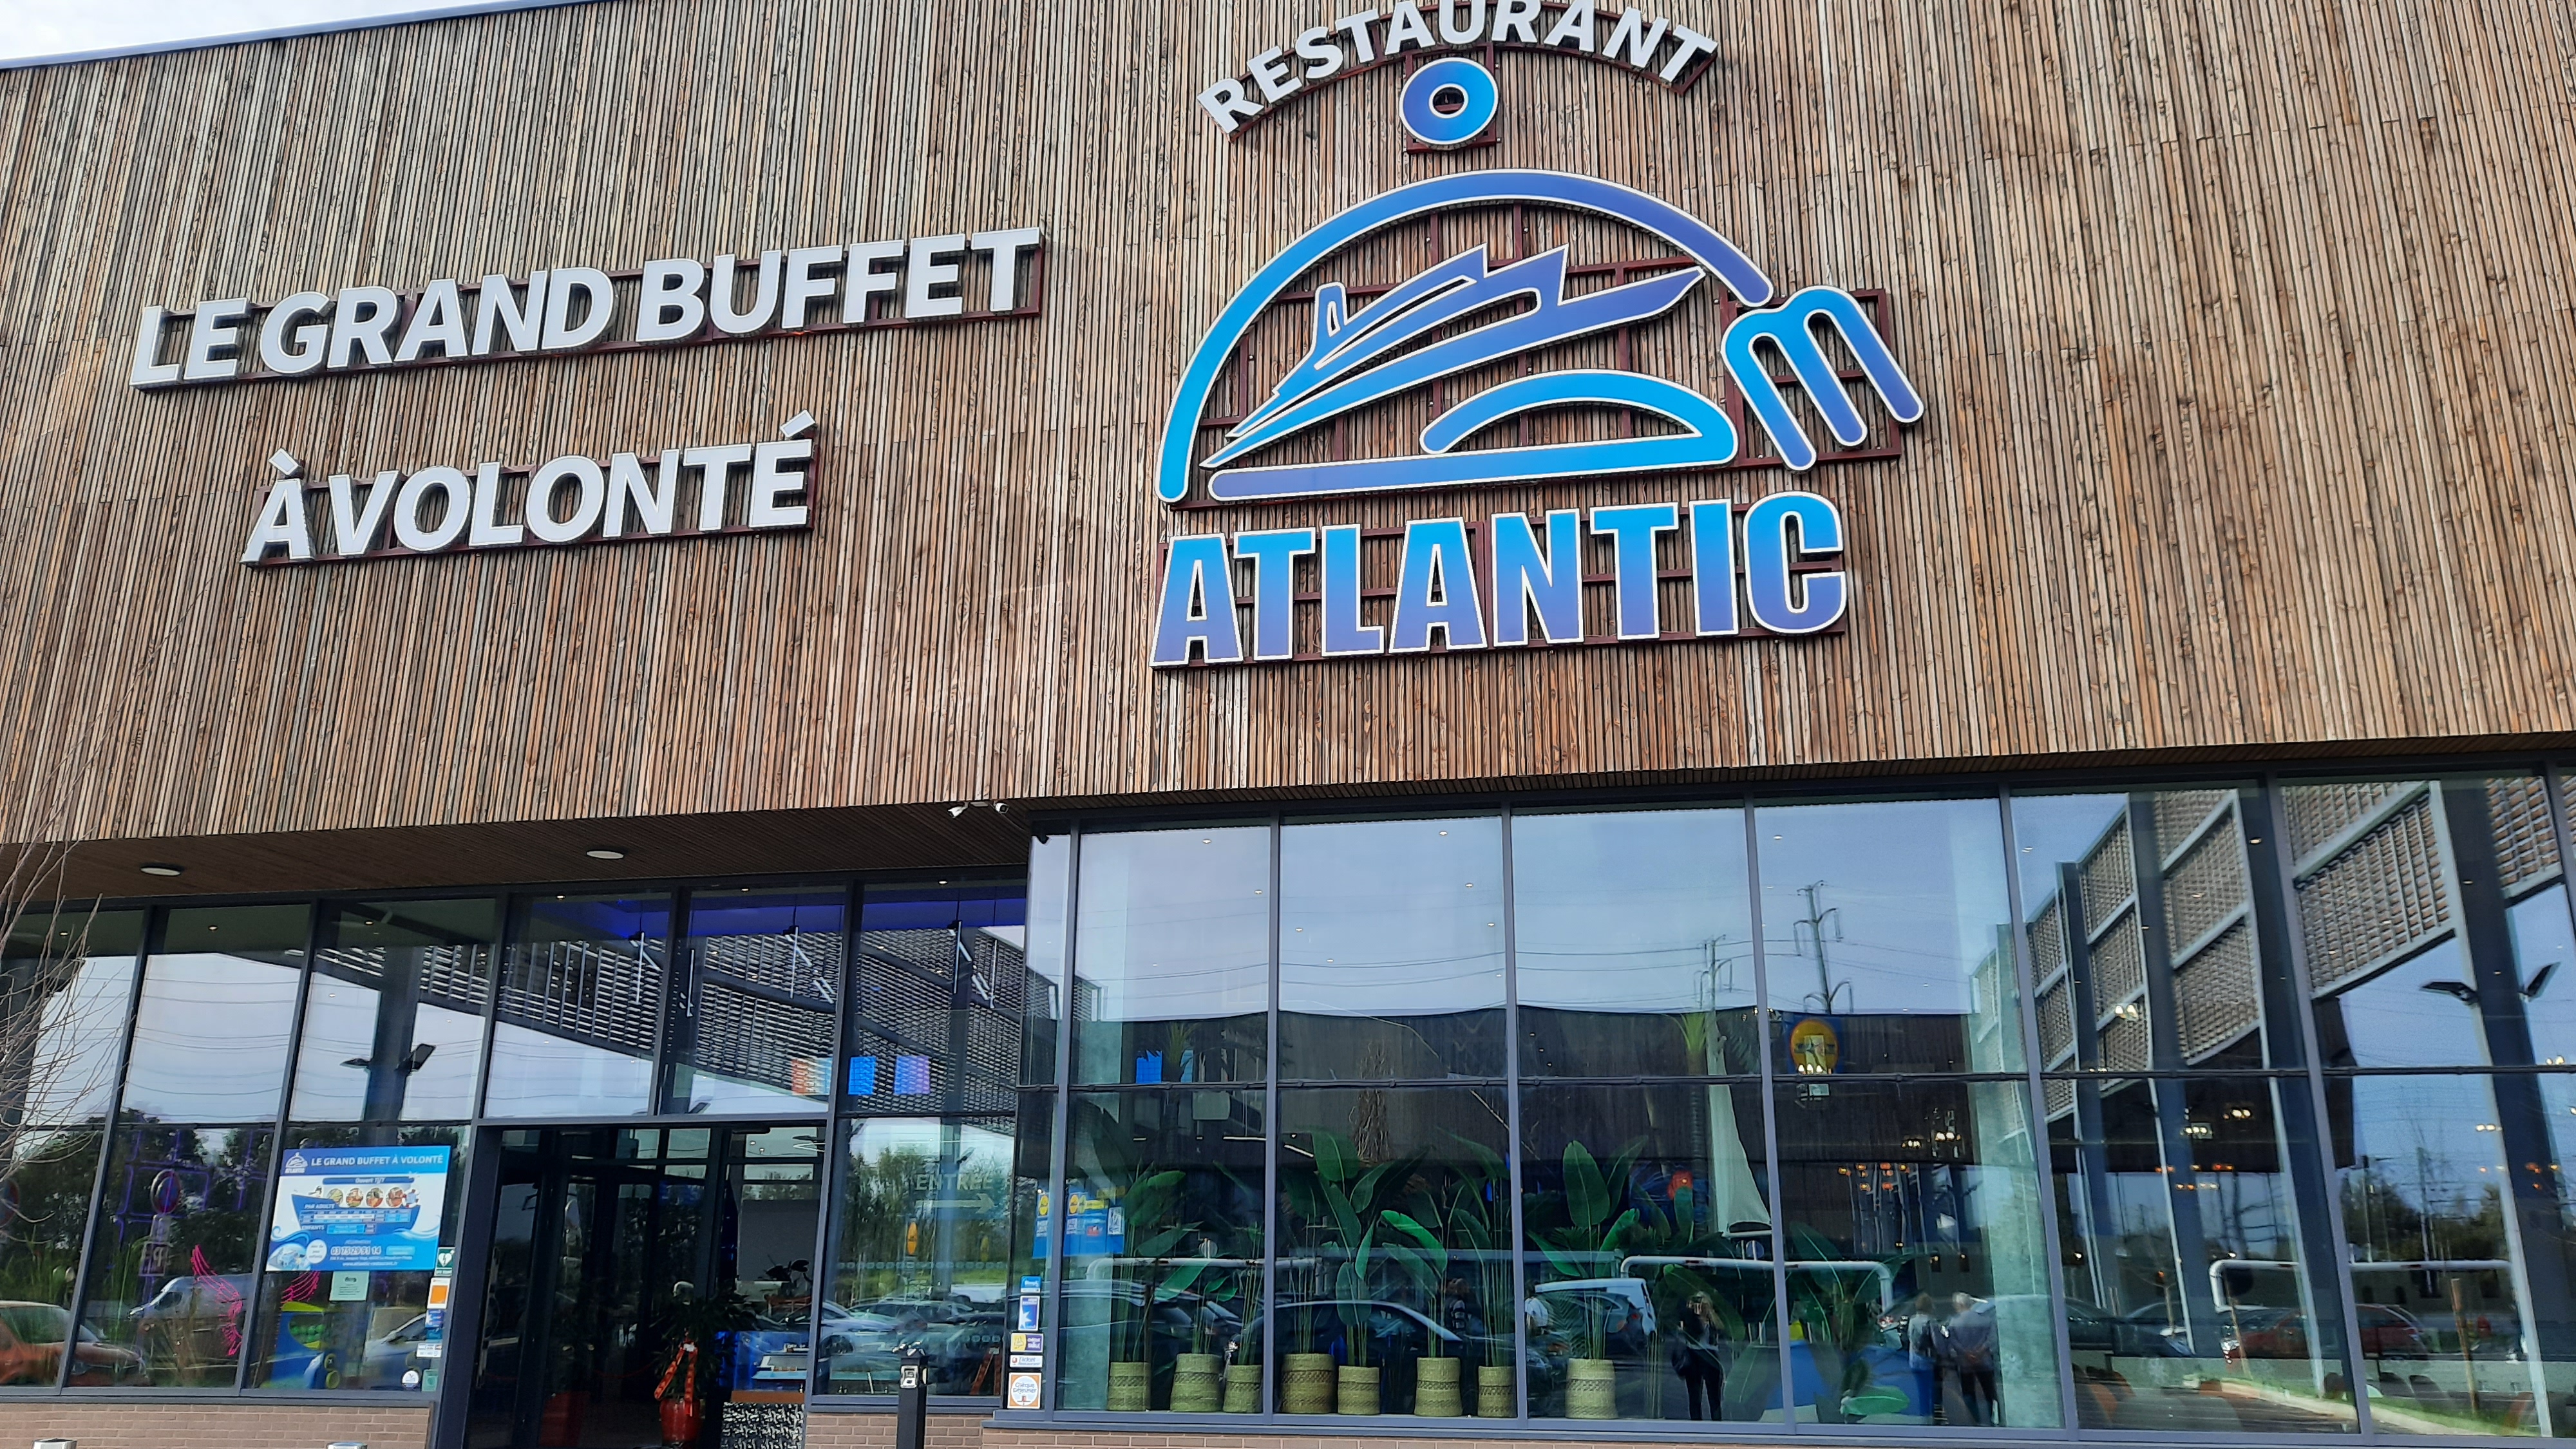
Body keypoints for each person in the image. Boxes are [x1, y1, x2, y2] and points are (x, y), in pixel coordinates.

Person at [1668, 1291, 1727, 1421]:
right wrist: (1692, 1314)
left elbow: (1721, 1328)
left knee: (1714, 1395)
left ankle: (1717, 1422)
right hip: (1694, 1354)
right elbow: (1690, 1333)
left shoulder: (1712, 1317)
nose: (1699, 1306)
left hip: (1710, 1355)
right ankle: (1696, 1422)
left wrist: (1709, 1312)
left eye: (1702, 1302)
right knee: (1694, 1395)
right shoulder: (1689, 1317)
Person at [1945, 1293, 1999, 1426]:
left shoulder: (1954, 1322)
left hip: (1965, 1362)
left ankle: (1974, 1419)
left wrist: (1966, 1353)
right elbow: (1992, 1338)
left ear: (1959, 1304)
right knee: (1988, 1390)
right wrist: (1981, 1351)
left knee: (1968, 1391)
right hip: (1984, 1360)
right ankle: (1989, 1418)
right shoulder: (1985, 1319)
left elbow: (1952, 1341)